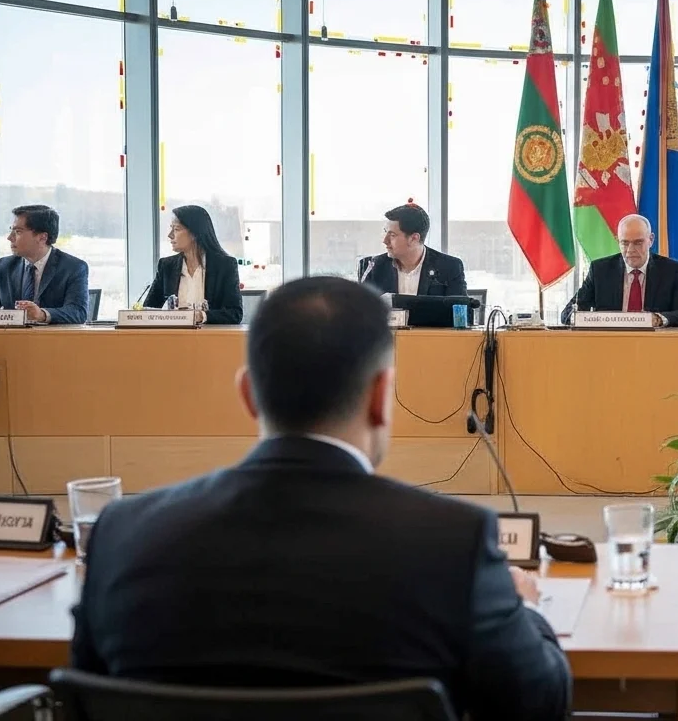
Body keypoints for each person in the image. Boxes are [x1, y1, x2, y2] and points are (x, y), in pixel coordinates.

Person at [71, 277, 571, 720]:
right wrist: (524, 609)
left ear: (248, 394)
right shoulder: (454, 544)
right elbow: (537, 703)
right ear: (381, 396)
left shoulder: (121, 534)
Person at [560, 213, 678, 327]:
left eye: (638, 242)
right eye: (625, 243)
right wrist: (584, 319)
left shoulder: (670, 270)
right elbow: (568, 314)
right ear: (617, 240)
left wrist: (657, 319)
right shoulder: (600, 271)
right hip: (609, 346)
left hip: (654, 346)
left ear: (651, 240)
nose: (631, 250)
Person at [0, 204, 90, 324]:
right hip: (12, 340)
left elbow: (78, 312)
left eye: (18, 232)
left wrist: (42, 314)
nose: (10, 238)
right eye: (11, 231)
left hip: (52, 340)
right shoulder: (5, 266)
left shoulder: (73, 267)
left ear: (42, 237)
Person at [142, 205, 243, 325]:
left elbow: (235, 313)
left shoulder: (225, 266)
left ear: (195, 233)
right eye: (171, 228)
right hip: (171, 339)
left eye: (176, 229)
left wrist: (202, 316)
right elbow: (147, 310)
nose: (170, 235)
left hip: (211, 340)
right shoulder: (166, 266)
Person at [358, 203, 467, 297]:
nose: (385, 240)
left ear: (414, 238)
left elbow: (462, 314)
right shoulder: (373, 266)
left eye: (392, 235)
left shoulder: (449, 266)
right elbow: (360, 313)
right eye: (385, 232)